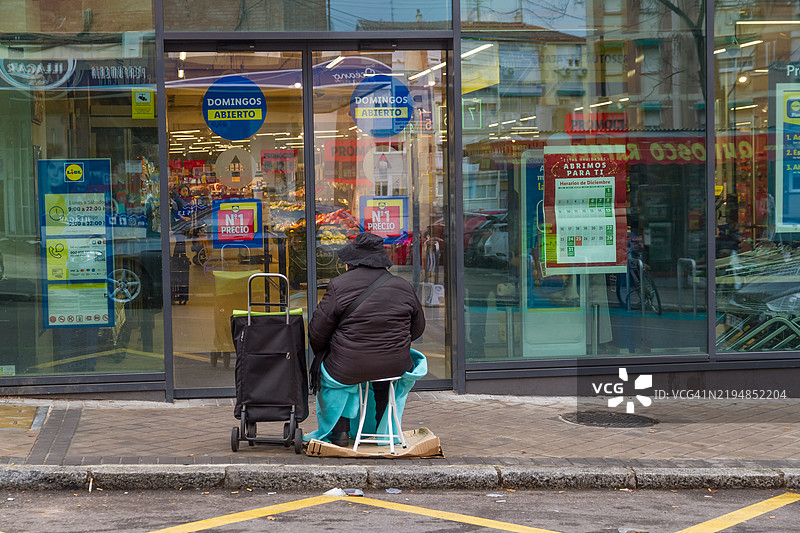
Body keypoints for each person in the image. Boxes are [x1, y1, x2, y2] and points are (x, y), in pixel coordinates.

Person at [308, 231, 426, 447]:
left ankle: (340, 432)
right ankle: (383, 429)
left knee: (335, 375)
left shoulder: (338, 285)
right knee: (382, 377)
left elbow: (317, 331)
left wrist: (326, 351)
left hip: (349, 365)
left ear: (352, 261)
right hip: (395, 365)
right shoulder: (403, 286)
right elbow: (417, 329)